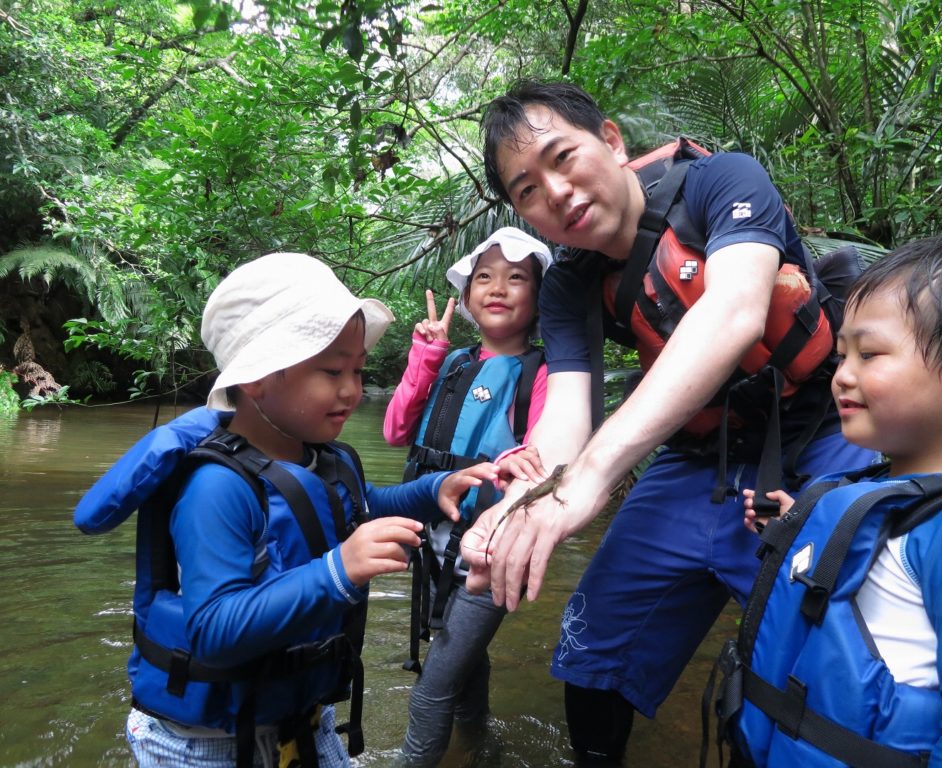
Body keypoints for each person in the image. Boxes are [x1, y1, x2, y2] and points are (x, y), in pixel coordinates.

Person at [458, 79, 876, 763]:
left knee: (839, 656)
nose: (555, 192)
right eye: (526, 189)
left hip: (819, 435)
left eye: (564, 158)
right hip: (696, 457)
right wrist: (521, 501)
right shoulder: (567, 283)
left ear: (612, 140)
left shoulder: (722, 181)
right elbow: (565, 415)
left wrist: (594, 474)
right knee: (593, 648)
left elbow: (735, 312)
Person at [74, 252, 498, 768]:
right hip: (205, 743)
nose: (352, 390)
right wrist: (337, 570)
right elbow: (213, 630)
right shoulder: (216, 488)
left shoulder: (322, 457)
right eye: (331, 371)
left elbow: (359, 508)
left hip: (299, 720)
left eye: (358, 370)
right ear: (256, 378)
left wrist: (435, 489)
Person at [725, 234, 942, 766]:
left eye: (870, 353)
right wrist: (799, 527)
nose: (841, 374)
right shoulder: (886, 488)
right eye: (842, 355)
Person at [383, 227, 553, 765]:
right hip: (435, 541)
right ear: (469, 293)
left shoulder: (540, 374)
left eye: (516, 278)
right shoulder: (451, 362)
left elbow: (545, 457)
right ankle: (481, 750)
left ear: (539, 296)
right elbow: (395, 430)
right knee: (463, 663)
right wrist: (424, 355)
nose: (497, 288)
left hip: (489, 550)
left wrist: (506, 463)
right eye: (485, 277)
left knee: (432, 687)